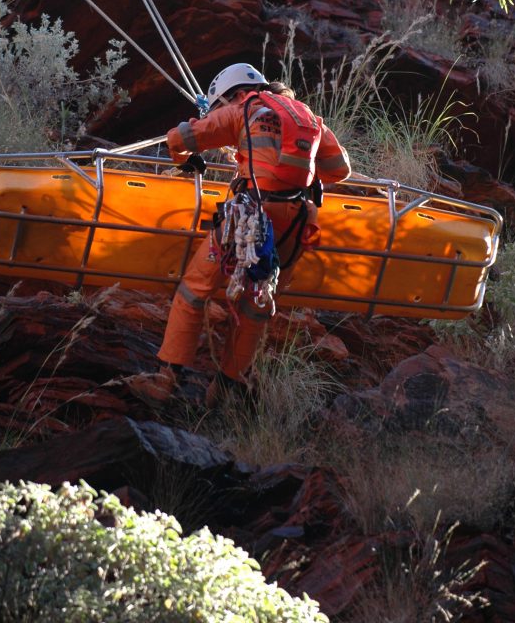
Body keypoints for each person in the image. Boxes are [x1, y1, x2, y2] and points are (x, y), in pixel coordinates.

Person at [127, 63, 352, 407]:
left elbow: (181, 138)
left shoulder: (242, 108)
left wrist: (184, 159)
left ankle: (165, 380)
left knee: (195, 289)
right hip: (296, 224)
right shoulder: (308, 117)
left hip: (250, 216)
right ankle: (227, 390)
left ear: (231, 94)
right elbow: (340, 169)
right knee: (257, 303)